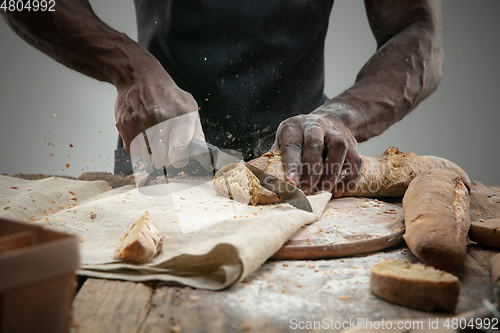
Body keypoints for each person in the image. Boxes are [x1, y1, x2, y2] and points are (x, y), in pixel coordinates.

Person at [1, 0, 443, 197]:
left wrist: (341, 116)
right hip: (164, 153)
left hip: (305, 168)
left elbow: (417, 32)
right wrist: (129, 68)